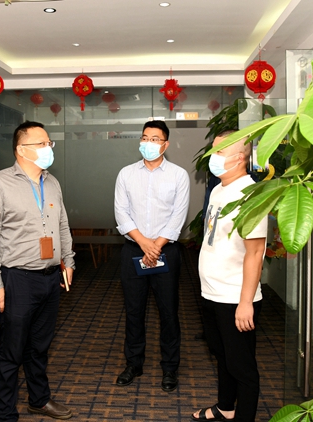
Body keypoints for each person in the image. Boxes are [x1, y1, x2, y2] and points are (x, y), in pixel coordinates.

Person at [0, 121, 75, 422]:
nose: (48, 149)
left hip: (50, 277)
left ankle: (39, 400)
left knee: (40, 346)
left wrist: (68, 261)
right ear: (21, 149)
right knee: (12, 351)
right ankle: (5, 414)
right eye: (41, 144)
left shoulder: (52, 182)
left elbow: (62, 226)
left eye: (49, 143)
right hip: (17, 278)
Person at [192, 131, 267, 422]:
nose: (212, 156)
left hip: (235, 296)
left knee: (242, 367)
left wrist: (245, 303)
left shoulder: (251, 195)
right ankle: (226, 407)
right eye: (213, 149)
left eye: (220, 152)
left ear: (239, 158)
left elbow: (255, 252)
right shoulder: (219, 189)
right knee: (222, 356)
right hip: (211, 291)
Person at [113, 120, 190, 392]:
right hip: (134, 250)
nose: (149, 143)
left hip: (165, 252)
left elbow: (178, 216)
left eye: (155, 139)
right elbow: (121, 213)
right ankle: (134, 363)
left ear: (165, 144)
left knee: (168, 312)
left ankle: (170, 368)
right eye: (145, 138)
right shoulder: (126, 174)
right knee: (134, 311)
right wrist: (145, 243)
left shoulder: (179, 175)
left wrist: (155, 246)